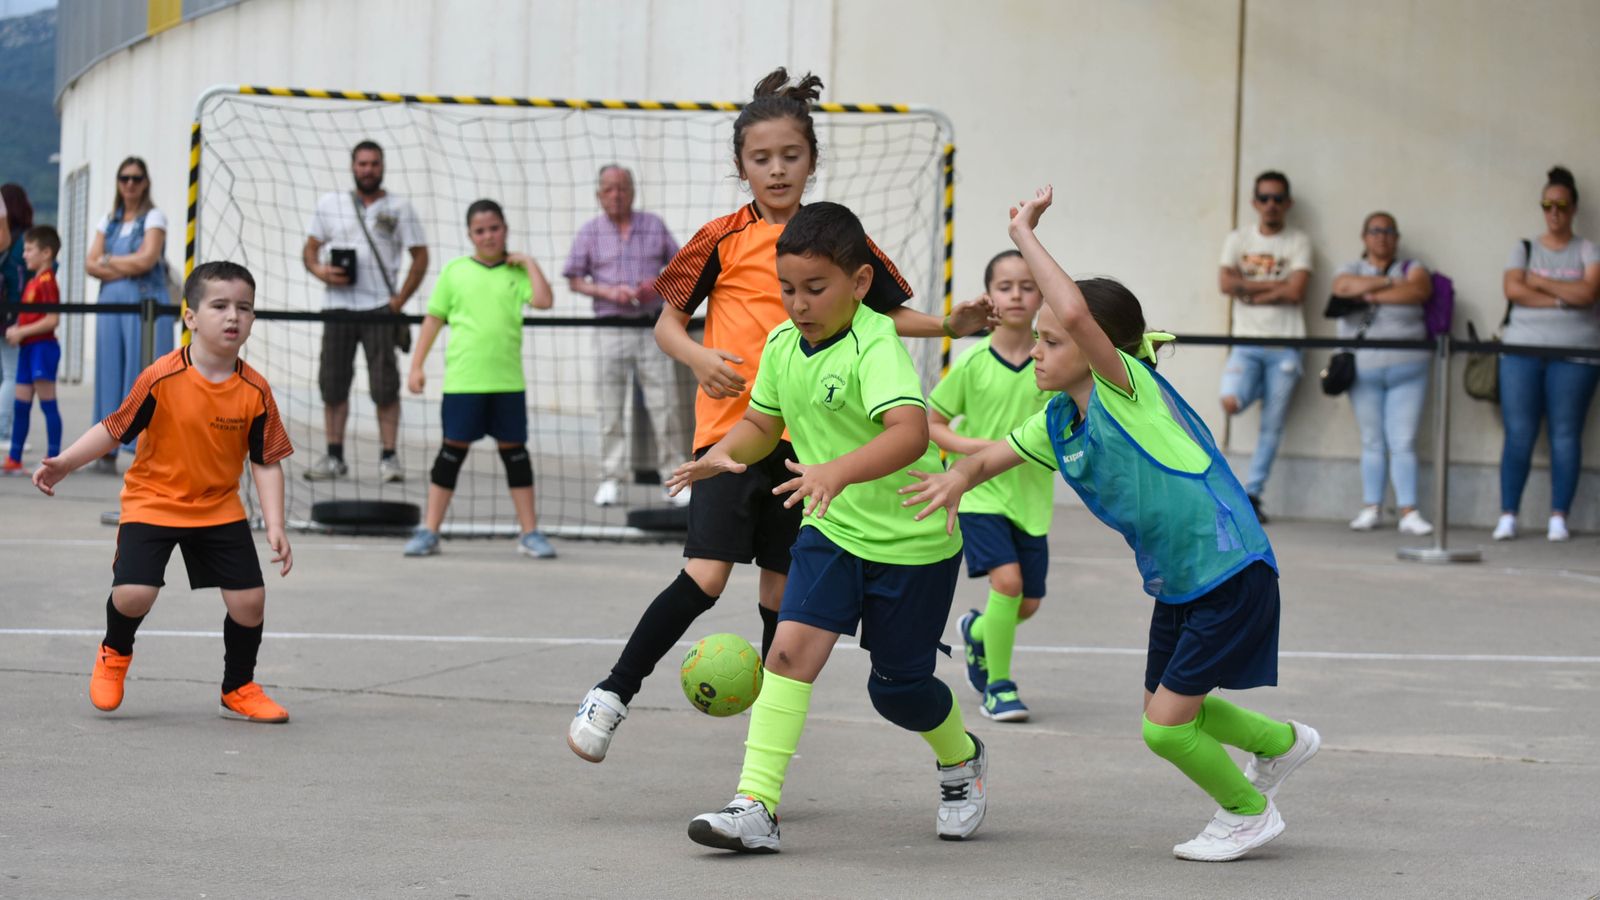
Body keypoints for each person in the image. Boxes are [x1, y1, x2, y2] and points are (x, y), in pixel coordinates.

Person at [564, 68, 993, 764]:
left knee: (781, 591)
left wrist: (951, 324)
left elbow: (882, 309)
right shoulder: (719, 238)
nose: (777, 169)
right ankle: (612, 692)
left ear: (812, 160)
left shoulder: (833, 237)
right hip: (732, 434)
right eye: (761, 158)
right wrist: (698, 360)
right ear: (741, 166)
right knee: (705, 576)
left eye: (790, 156)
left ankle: (761, 756)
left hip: (811, 447)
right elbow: (667, 326)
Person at [906, 186, 1319, 863]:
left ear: (1095, 346)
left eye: (1051, 340)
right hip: (1184, 581)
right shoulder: (1059, 420)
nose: (1037, 351)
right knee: (1169, 701)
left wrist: (1025, 235)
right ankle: (1281, 744)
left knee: (1163, 729)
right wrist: (955, 478)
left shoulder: (1124, 390)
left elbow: (1070, 305)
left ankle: (1248, 813)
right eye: (1035, 340)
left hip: (1229, 569)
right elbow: (994, 455)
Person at [673, 201, 984, 852]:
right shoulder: (784, 346)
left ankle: (960, 760)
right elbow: (762, 423)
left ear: (860, 283)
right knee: (786, 653)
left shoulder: (877, 345)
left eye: (815, 288)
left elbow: (906, 435)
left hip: (913, 539)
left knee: (897, 690)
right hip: (833, 529)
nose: (799, 303)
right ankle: (755, 806)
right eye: (787, 289)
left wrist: (837, 471)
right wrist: (721, 456)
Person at [33, 261, 295, 722]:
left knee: (250, 602)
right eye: (219, 306)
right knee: (135, 593)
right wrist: (66, 463)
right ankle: (115, 651)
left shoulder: (255, 390)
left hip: (217, 507)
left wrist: (275, 524)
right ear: (190, 316)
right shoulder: (162, 376)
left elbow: (265, 460)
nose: (233, 316)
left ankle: (238, 686)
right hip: (153, 500)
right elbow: (115, 428)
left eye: (244, 307)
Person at [929, 249, 1052, 722]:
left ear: (1042, 294)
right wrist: (975, 446)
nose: (1017, 295)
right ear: (990, 297)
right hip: (979, 494)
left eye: (1027, 286)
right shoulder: (973, 362)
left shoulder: (1051, 360)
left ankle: (978, 631)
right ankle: (999, 686)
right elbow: (931, 421)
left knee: (1028, 602)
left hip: (1031, 499)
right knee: (1009, 582)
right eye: (1006, 287)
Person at [402, 200, 557, 559]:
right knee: (450, 455)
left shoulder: (517, 273)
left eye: (494, 228)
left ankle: (530, 532)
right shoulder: (455, 272)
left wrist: (530, 263)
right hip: (463, 383)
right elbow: (433, 320)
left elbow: (545, 300)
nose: (488, 236)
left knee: (515, 455)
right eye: (480, 230)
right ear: (470, 235)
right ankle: (430, 530)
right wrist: (416, 366)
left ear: (505, 228)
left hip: (507, 383)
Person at [563, 164, 690, 508]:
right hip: (609, 326)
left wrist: (657, 285)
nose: (616, 194)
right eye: (609, 189)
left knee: (665, 404)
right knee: (610, 406)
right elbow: (573, 277)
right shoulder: (590, 232)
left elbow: (681, 266)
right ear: (599, 195)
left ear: (632, 191)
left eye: (622, 188)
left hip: (652, 326)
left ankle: (674, 479)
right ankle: (611, 478)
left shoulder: (653, 226)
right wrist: (607, 292)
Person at [302, 140, 429, 483]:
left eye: (374, 163)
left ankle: (389, 457)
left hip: (380, 308)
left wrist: (400, 299)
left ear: (383, 166)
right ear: (352, 166)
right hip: (337, 306)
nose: (368, 169)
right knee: (333, 383)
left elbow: (421, 256)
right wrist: (321, 271)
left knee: (385, 385)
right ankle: (334, 455)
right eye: (362, 164)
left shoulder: (399, 207)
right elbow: (310, 250)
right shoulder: (331, 204)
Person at [1495, 166, 1600, 542]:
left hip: (1576, 353)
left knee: (1565, 433)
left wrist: (1538, 282)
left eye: (1561, 206)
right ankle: (1508, 513)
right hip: (1522, 349)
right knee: (1519, 432)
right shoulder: (1523, 247)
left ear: (1573, 209)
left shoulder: (1589, 249)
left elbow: (1588, 295)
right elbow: (1514, 290)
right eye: (1547, 205)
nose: (1553, 213)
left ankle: (1559, 515)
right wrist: (1563, 296)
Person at [1329, 212, 1434, 535]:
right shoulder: (1351, 268)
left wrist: (1371, 292)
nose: (1382, 237)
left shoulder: (1412, 268)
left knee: (1403, 440)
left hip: (1408, 368)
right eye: (1375, 231)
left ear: (1397, 237)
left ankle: (1409, 511)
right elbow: (1342, 287)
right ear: (1364, 237)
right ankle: (1371, 507)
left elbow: (1418, 291)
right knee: (1372, 440)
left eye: (1388, 231)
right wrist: (1390, 285)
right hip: (1364, 369)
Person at [1217, 171, 1313, 522]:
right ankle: (1252, 389)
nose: (1271, 205)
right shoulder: (1238, 238)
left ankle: (1253, 493)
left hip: (1286, 346)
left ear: (1286, 203)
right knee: (1230, 399)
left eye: (1277, 198)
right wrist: (1276, 288)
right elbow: (1225, 283)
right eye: (1265, 198)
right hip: (1245, 342)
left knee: (1272, 426)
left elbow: (1296, 291)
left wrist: (1250, 289)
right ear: (1255, 202)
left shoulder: (1298, 240)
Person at [87, 157, 177, 474]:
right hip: (111, 306)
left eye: (136, 178)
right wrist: (125, 261)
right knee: (110, 372)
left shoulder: (154, 217)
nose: (130, 184)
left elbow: (146, 260)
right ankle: (106, 446)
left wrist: (108, 261)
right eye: (124, 177)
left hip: (144, 306)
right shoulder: (108, 220)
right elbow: (89, 263)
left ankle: (147, 446)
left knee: (145, 373)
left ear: (145, 182)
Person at [4, 226, 64, 474]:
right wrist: (17, 327)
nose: (25, 254)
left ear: (46, 252)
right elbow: (32, 317)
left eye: (30, 249)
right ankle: (14, 458)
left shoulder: (48, 281)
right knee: (21, 404)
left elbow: (52, 320)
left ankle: (55, 459)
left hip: (42, 348)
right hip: (29, 349)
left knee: (47, 403)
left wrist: (21, 332)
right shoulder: (33, 281)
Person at [1, 183, 36, 450]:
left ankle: (8, 429)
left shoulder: (6, 239)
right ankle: (4, 430)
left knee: (6, 374)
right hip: (14, 316)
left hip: (4, 313)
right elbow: (23, 282)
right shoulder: (22, 241)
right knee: (13, 374)